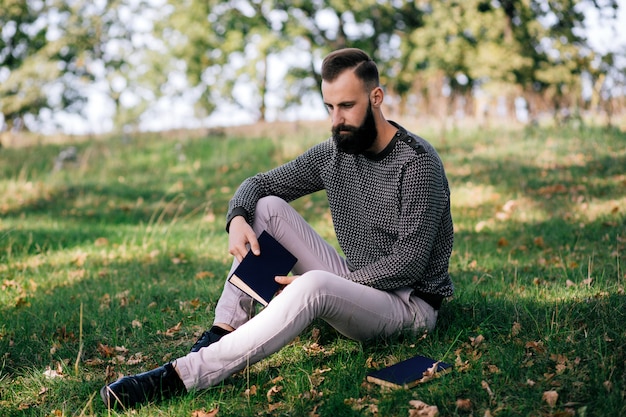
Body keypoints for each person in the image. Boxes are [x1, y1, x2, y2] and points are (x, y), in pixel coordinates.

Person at [100, 47, 454, 410]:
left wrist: (324, 285)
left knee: (314, 285)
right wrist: (237, 217)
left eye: (347, 105)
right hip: (358, 283)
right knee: (266, 208)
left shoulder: (416, 164)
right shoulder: (336, 152)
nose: (337, 120)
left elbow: (408, 264)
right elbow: (259, 184)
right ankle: (223, 332)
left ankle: (180, 376)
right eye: (329, 107)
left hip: (410, 307)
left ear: (376, 97)